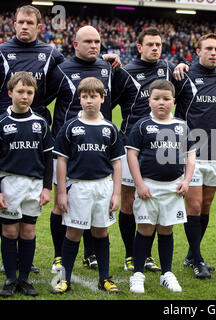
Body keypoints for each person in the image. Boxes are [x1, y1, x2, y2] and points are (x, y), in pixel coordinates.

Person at [44, 25, 121, 273]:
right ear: (75, 45)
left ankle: (90, 254)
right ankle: (59, 256)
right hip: (67, 149)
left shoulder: (107, 68)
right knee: (61, 205)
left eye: (97, 41)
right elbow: (42, 100)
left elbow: (116, 99)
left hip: (100, 146)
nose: (94, 46)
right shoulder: (61, 71)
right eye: (88, 41)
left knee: (95, 200)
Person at [0, 4, 64, 275]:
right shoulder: (2, 51)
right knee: (5, 203)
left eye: (30, 22)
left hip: (37, 131)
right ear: (13, 24)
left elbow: (71, 74)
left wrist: (105, 61)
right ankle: (9, 263)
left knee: (29, 201)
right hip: (6, 130)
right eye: (20, 22)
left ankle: (23, 262)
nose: (24, 26)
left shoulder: (51, 53)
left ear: (39, 26)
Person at [51, 77, 124, 294]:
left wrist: (116, 194)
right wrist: (61, 192)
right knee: (73, 233)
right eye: (84, 97)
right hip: (78, 187)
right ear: (79, 99)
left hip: (103, 187)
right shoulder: (70, 127)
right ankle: (63, 279)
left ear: (102, 98)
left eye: (93, 96)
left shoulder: (110, 128)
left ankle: (104, 279)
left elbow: (117, 163)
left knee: (101, 232)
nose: (89, 101)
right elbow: (62, 161)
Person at [112, 27, 176, 273]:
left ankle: (147, 256)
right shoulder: (127, 73)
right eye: (150, 44)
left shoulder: (169, 69)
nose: (155, 48)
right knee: (128, 202)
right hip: (132, 146)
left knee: (156, 200)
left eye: (158, 44)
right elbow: (111, 104)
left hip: (163, 147)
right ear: (139, 47)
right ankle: (131, 255)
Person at [126, 79, 195, 293]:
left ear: (173, 101)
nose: (161, 103)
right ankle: (138, 274)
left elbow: (190, 156)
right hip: (148, 186)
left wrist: (186, 181)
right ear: (149, 101)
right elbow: (132, 155)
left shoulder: (182, 126)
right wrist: (139, 185)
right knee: (145, 229)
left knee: (166, 229)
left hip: (173, 187)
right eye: (156, 99)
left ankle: (167, 273)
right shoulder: (143, 125)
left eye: (166, 99)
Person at [173, 33, 216, 279]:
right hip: (192, 152)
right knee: (193, 206)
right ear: (198, 51)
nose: (213, 53)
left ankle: (192, 254)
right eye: (208, 49)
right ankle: (197, 260)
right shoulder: (183, 76)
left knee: (205, 206)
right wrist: (177, 64)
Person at [0, 72, 53, 297]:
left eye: (29, 92)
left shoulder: (40, 123)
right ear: (10, 93)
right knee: (10, 231)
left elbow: (48, 158)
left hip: (34, 184)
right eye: (20, 92)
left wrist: (47, 187)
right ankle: (11, 278)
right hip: (9, 183)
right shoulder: (2, 123)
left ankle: (24, 279)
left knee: (28, 231)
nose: (25, 96)